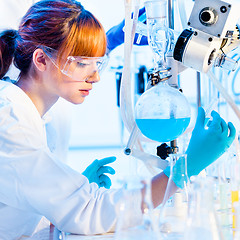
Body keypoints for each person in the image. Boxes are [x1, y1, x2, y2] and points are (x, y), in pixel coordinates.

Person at [0, 0, 236, 239]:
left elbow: (19, 207)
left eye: (98, 63)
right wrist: (184, 169)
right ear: (40, 60)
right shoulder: (10, 120)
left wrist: (63, 192)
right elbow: (89, 213)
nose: (95, 77)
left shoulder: (20, 105)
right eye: (82, 63)